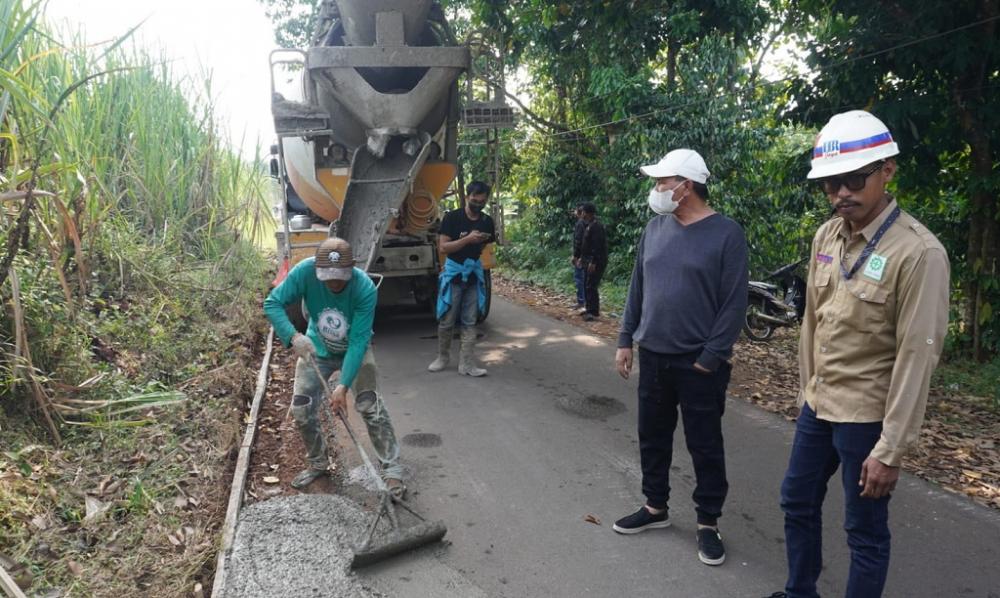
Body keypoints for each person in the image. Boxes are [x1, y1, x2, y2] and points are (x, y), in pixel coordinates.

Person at [766, 111, 950, 598]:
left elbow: (918, 354)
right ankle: (800, 591)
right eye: (829, 184)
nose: (839, 193)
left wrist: (890, 449)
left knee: (864, 530)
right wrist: (806, 393)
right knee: (796, 501)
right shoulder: (827, 236)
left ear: (887, 169)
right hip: (819, 406)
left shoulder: (919, 253)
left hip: (867, 418)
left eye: (852, 179)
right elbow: (813, 321)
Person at [613, 149, 749, 568]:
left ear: (685, 186)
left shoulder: (727, 234)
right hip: (654, 355)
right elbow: (638, 286)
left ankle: (707, 522)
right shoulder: (654, 229)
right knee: (652, 437)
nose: (656, 190)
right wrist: (625, 339)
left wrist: (711, 357)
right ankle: (655, 507)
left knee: (705, 444)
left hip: (698, 364)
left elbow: (733, 303)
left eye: (662, 182)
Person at [263, 237, 405, 497]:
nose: (335, 283)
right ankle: (318, 462)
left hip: (355, 350)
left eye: (340, 277)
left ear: (351, 270)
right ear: (318, 271)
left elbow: (359, 340)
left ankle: (392, 469)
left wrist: (342, 386)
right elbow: (272, 303)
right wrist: (294, 337)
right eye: (328, 277)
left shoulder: (364, 288)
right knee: (302, 407)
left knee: (369, 404)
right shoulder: (304, 272)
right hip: (316, 349)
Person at [427, 180, 495, 376]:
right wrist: (467, 240)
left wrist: (476, 244)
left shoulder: (486, 221)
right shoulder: (452, 218)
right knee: (447, 319)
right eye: (475, 199)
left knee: (470, 321)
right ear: (467, 197)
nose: (478, 204)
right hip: (454, 274)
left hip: (473, 274)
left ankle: (467, 363)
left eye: (482, 201)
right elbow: (443, 247)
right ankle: (442, 357)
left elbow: (485, 246)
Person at [578, 202, 607, 321]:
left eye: (583, 211)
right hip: (588, 259)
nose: (582, 214)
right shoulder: (589, 225)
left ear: (588, 213)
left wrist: (593, 262)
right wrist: (581, 257)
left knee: (591, 285)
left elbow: (597, 246)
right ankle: (589, 307)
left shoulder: (596, 226)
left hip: (596, 261)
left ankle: (593, 312)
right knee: (587, 284)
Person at [571, 205, 587, 310]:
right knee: (585, 279)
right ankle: (585, 301)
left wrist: (576, 256)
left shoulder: (580, 224)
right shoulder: (590, 223)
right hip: (588, 255)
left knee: (579, 278)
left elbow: (578, 241)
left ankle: (581, 301)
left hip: (581, 256)